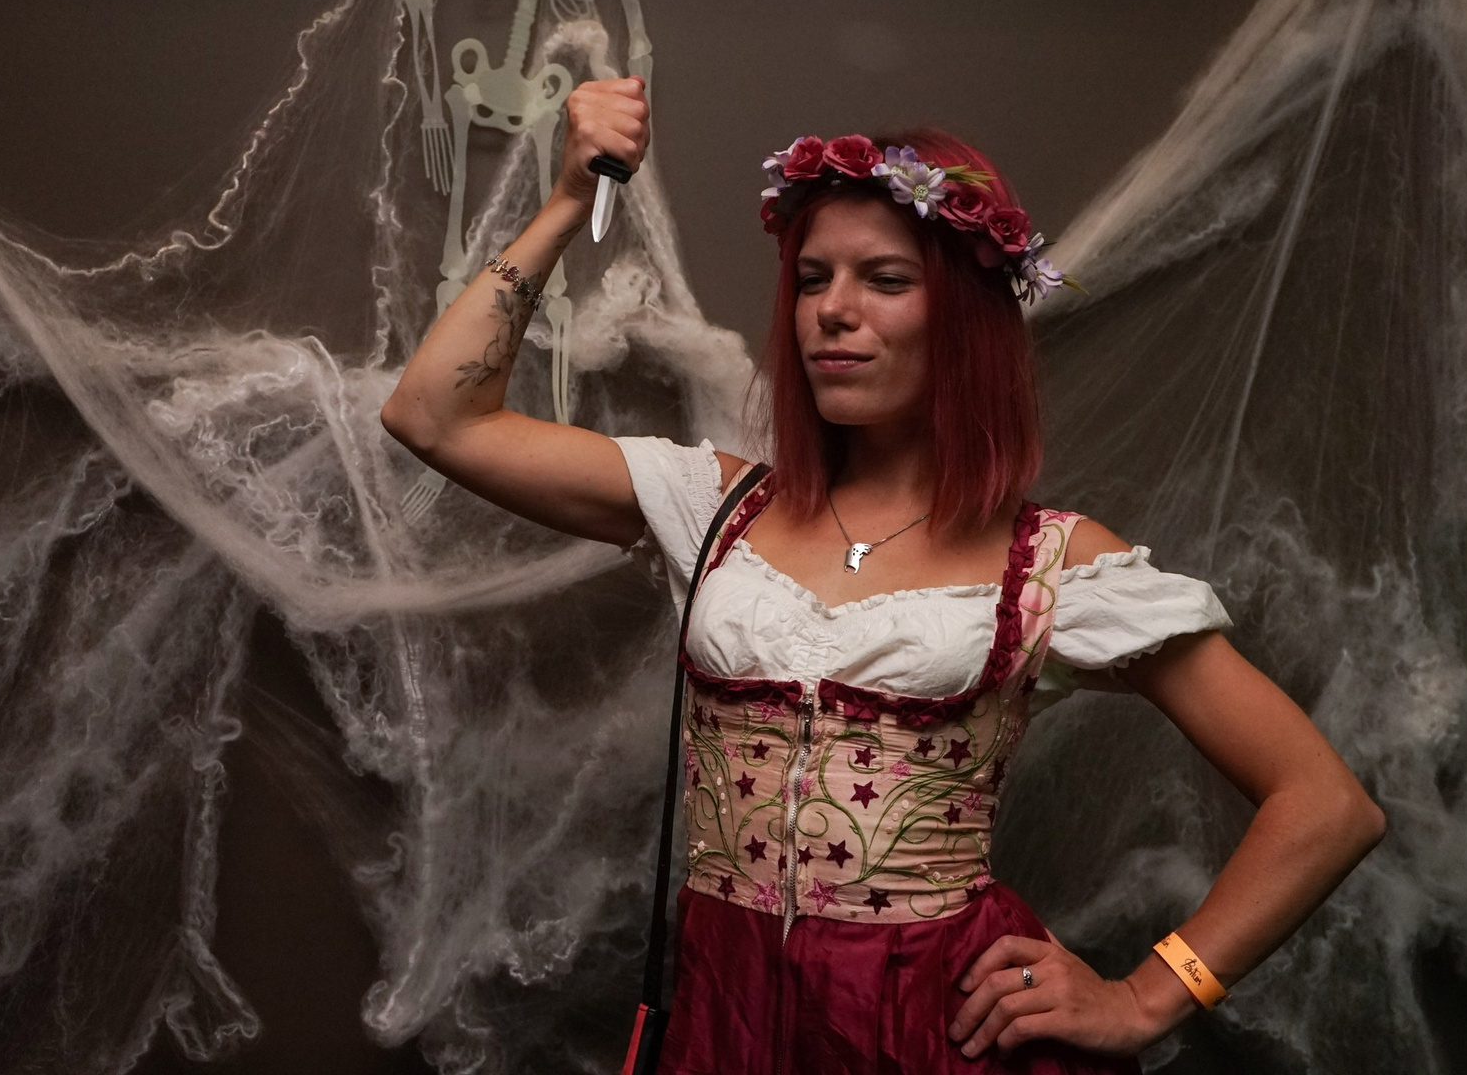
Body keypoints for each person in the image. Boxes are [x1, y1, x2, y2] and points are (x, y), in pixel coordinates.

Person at [381, 76, 1386, 1074]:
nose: (834, 310)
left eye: (886, 280)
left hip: (931, 1033)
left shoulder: (1053, 563)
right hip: (729, 1019)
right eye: (813, 279)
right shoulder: (714, 506)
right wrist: (567, 200)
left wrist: (1146, 996)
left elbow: (1327, 804)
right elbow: (434, 417)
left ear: (964, 317)